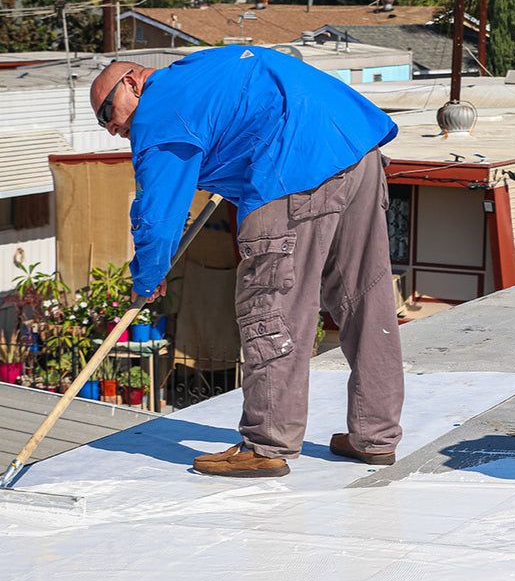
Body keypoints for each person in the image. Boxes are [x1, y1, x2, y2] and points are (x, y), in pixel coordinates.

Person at [89, 45, 406, 477]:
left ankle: (267, 444)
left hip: (292, 169)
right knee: (365, 297)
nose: (112, 127)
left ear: (132, 82)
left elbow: (158, 216)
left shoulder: (158, 112)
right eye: (104, 121)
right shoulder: (198, 69)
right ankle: (375, 437)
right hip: (355, 147)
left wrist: (147, 277)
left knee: (271, 307)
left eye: (108, 111)